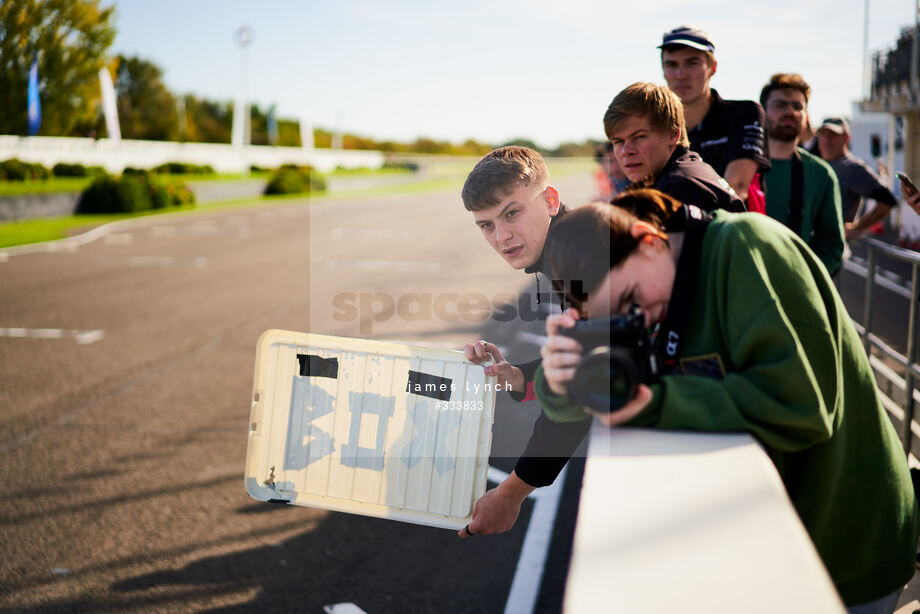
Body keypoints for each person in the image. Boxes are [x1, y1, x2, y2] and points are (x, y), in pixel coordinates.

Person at [535, 190, 918, 613]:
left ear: (648, 240)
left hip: (849, 551)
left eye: (631, 302)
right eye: (619, 318)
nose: (638, 320)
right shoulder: (661, 293)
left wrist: (656, 402)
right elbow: (586, 395)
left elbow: (802, 406)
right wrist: (559, 377)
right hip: (779, 546)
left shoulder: (744, 244)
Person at [458, 146, 591, 538]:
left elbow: (577, 394)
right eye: (486, 225)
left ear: (550, 200)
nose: (502, 237)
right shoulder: (569, 247)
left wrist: (513, 492)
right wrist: (518, 377)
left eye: (511, 213)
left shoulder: (581, 258)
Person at [658, 26, 769, 202]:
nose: (681, 74)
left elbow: (735, 190)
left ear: (713, 67)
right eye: (671, 64)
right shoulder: (657, 126)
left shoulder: (744, 113)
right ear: (663, 70)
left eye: (692, 63)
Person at [603, 81, 746, 214]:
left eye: (639, 137)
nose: (626, 151)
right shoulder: (682, 171)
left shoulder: (679, 187)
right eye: (618, 142)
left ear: (673, 135)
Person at [760, 73, 845, 275]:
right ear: (762, 111)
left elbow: (831, 245)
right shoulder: (739, 164)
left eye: (798, 106)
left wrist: (805, 278)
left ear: (806, 116)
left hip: (794, 288)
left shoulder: (821, 174)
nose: (790, 112)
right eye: (780, 105)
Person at [814, 116, 900, 239]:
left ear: (846, 138)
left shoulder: (853, 168)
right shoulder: (816, 164)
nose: (827, 139)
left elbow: (887, 200)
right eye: (823, 134)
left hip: (833, 249)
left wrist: (857, 227)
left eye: (833, 134)